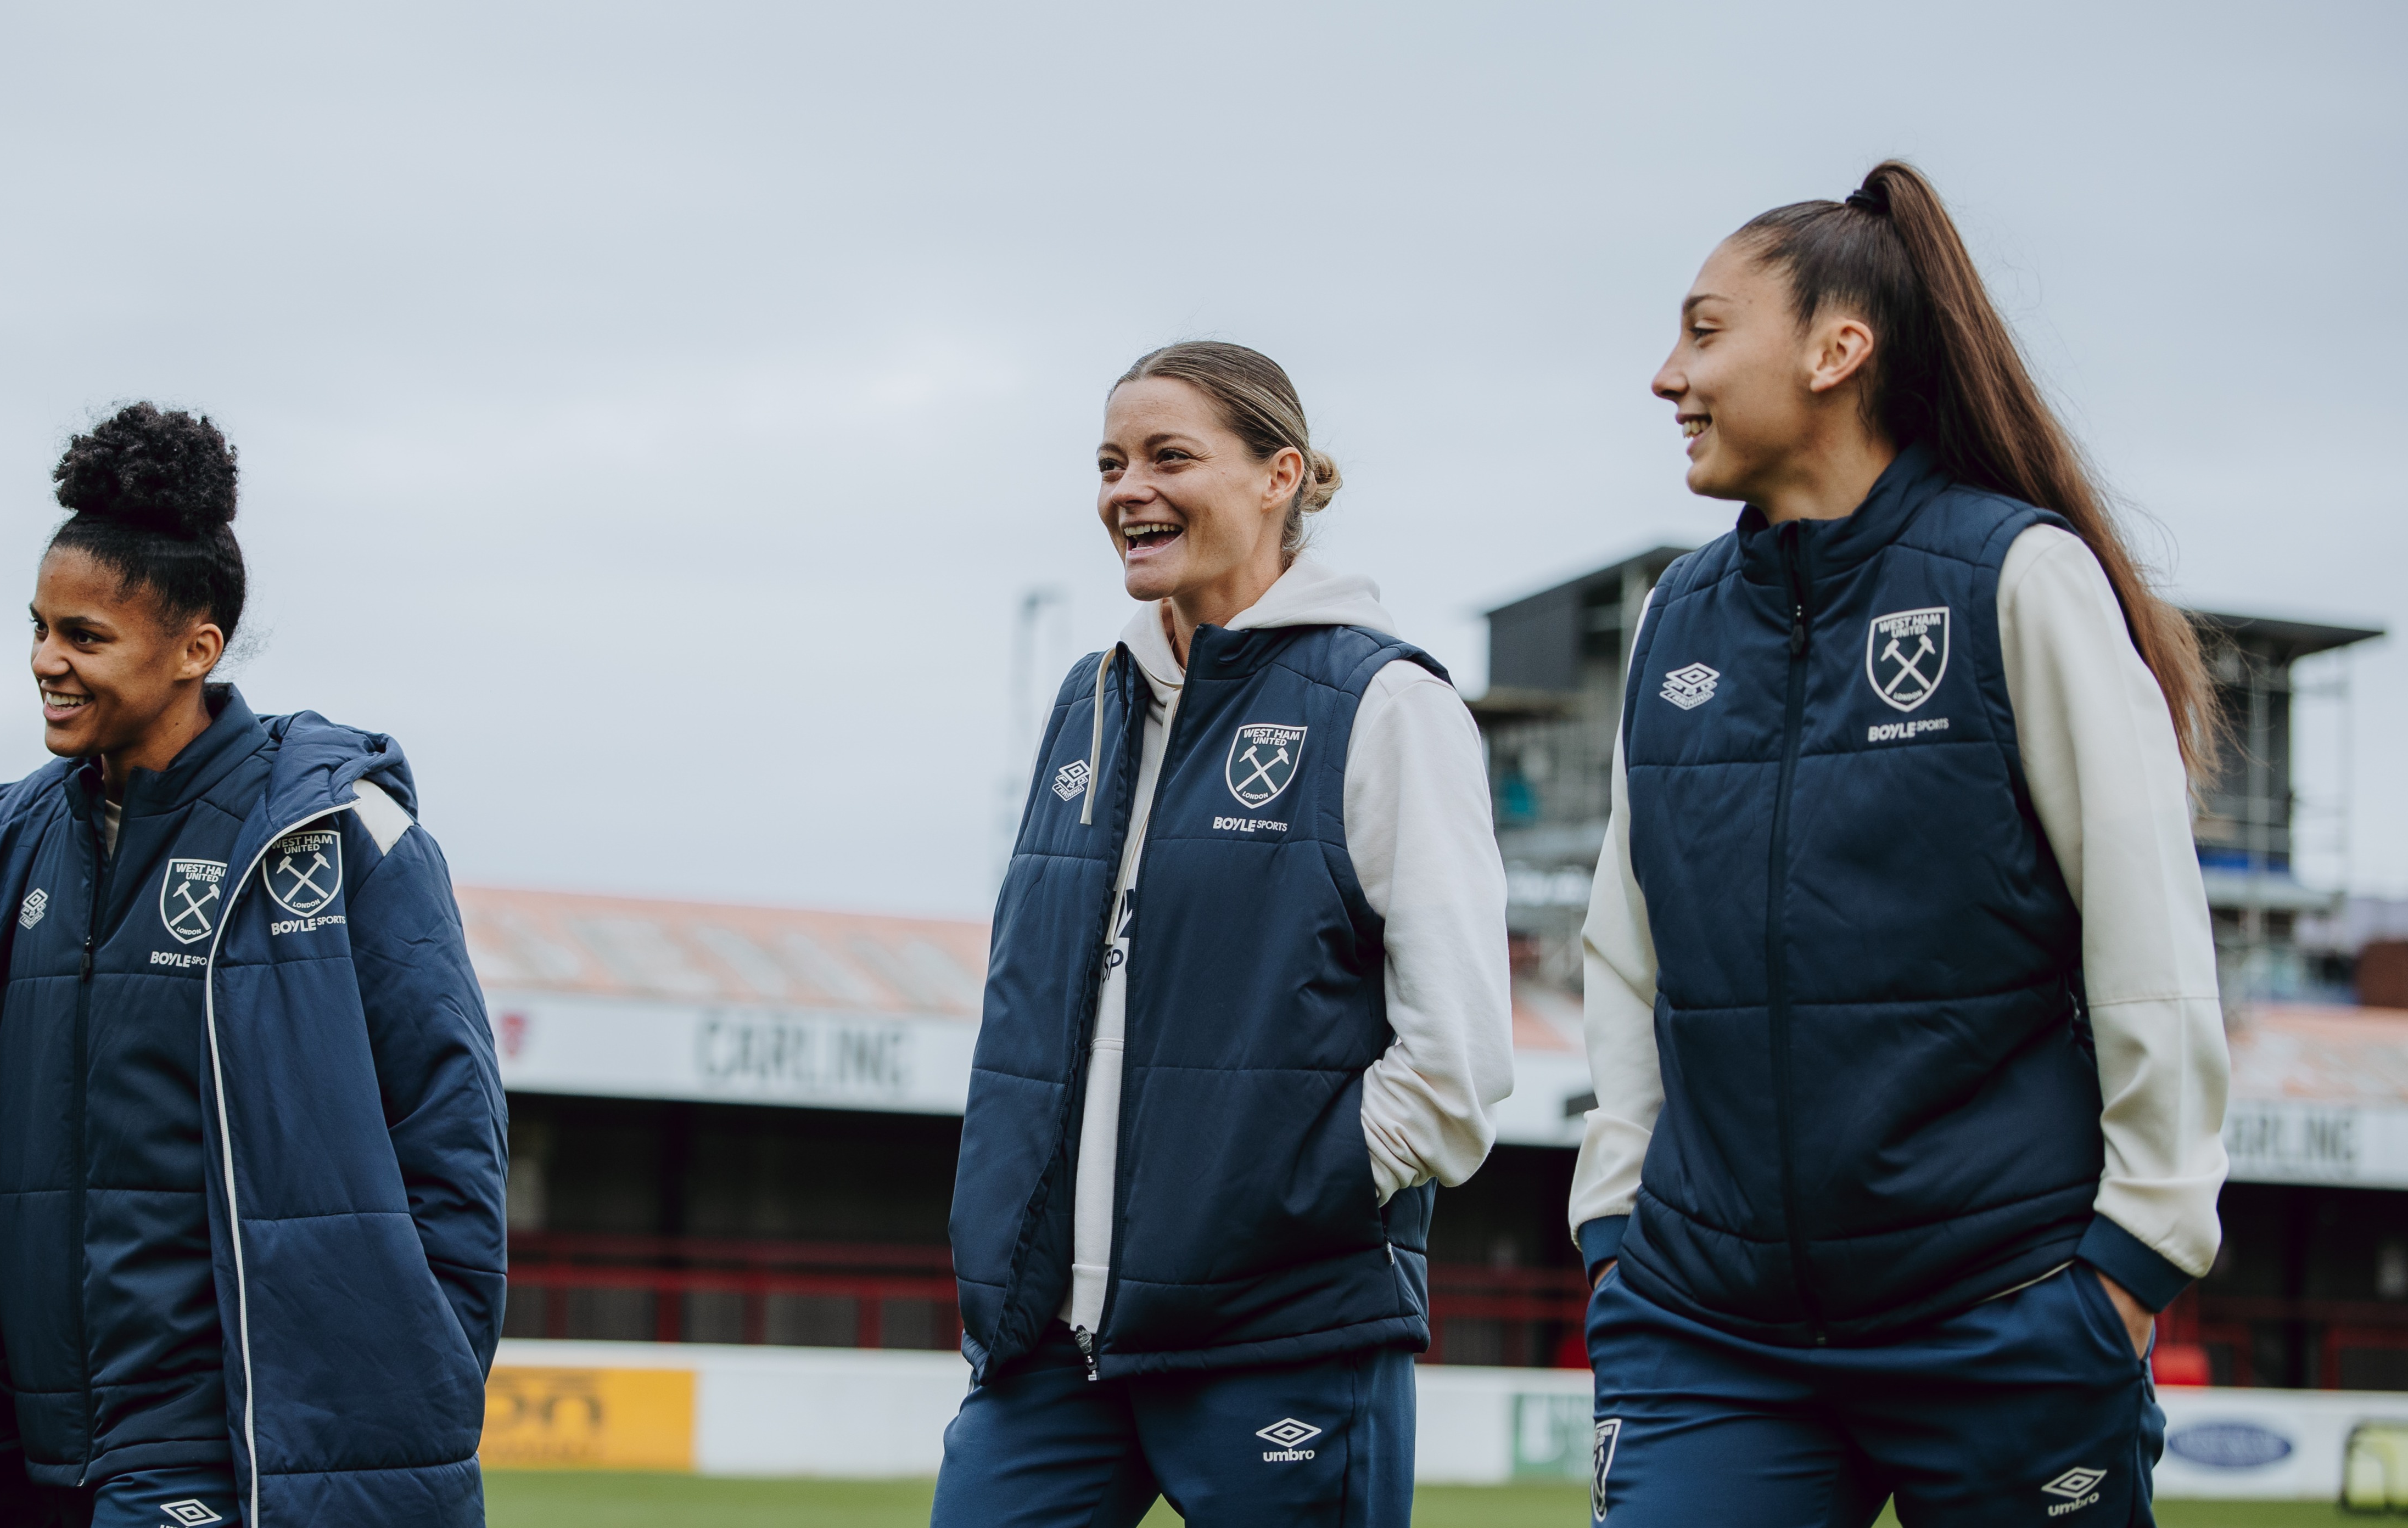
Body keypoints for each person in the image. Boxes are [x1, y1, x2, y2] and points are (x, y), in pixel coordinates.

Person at [1572, 161, 2228, 1525]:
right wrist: (1617, 1224)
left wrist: (2132, 1261)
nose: (1663, 377)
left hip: (2003, 1316)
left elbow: (2149, 934)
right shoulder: (1674, 622)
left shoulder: (2019, 578)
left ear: (1836, 349)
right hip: (1708, 1327)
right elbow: (1626, 958)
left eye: (1703, 332)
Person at [0, 405, 508, 1528]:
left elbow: (453, 1141)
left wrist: (406, 1373)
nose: (47, 661)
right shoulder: (11, 848)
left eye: (86, 637)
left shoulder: (341, 840)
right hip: (30, 1451)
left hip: (224, 1450)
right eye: (41, 628)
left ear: (196, 647)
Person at [934, 342, 1516, 1527]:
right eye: (1108, 463)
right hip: (1051, 1346)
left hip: (1279, 1330)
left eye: (1168, 457)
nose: (1125, 490)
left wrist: (1278, 1205)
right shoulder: (1087, 705)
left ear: (1278, 476)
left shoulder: (1387, 706)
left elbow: (1458, 1062)